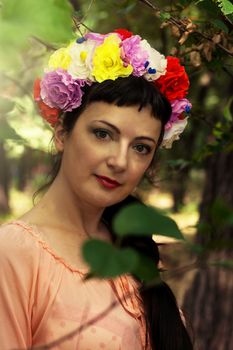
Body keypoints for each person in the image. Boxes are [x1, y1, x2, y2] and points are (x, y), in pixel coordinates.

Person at [0, 29, 193, 349]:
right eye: (103, 134)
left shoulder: (131, 247)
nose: (120, 161)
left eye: (141, 148)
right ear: (62, 133)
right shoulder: (14, 253)